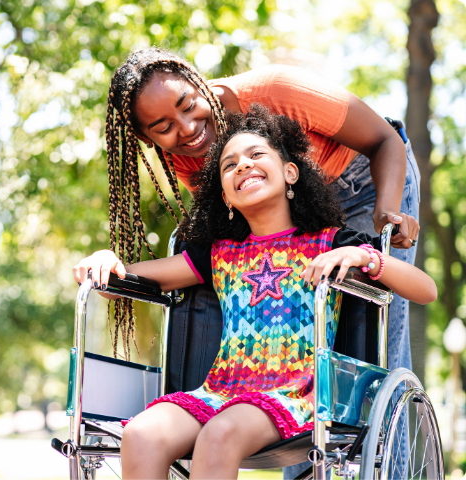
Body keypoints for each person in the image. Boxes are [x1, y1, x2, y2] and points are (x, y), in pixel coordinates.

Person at [105, 50, 420, 477]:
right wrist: (112, 263)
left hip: (365, 178)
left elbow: (384, 140)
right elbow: (228, 229)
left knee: (375, 341)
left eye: (187, 106)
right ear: (148, 139)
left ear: (199, 85)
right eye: (163, 127)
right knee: (174, 429)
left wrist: (379, 231)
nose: (187, 130)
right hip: (270, 250)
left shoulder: (276, 90)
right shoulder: (191, 163)